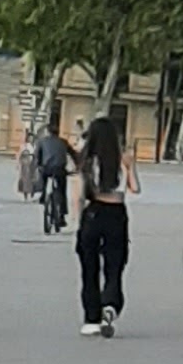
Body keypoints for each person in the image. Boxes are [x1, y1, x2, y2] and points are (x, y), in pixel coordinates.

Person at [75, 114, 137, 337]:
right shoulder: (123, 159)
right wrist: (130, 167)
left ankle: (91, 318)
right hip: (116, 213)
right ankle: (110, 303)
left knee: (89, 267)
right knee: (115, 263)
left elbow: (79, 195)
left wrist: (79, 221)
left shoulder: (88, 162)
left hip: (93, 212)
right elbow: (135, 188)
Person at [30, 116, 72, 236]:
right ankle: (62, 213)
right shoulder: (63, 142)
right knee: (62, 190)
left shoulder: (42, 142)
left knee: (43, 177)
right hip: (60, 170)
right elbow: (73, 154)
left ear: (47, 132)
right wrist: (78, 167)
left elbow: (36, 156)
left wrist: (36, 167)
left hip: (46, 169)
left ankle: (43, 195)